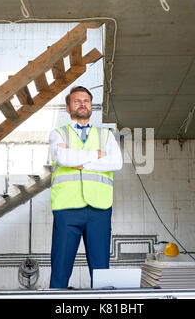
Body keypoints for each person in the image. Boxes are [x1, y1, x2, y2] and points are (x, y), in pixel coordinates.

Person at [48, 86, 123, 288]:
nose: (82, 104)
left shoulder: (106, 135)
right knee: (60, 267)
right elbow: (62, 157)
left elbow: (116, 163)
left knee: (101, 270)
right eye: (77, 101)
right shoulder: (58, 134)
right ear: (68, 107)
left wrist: (79, 161)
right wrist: (96, 155)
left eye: (86, 101)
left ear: (91, 106)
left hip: (99, 208)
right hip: (67, 208)